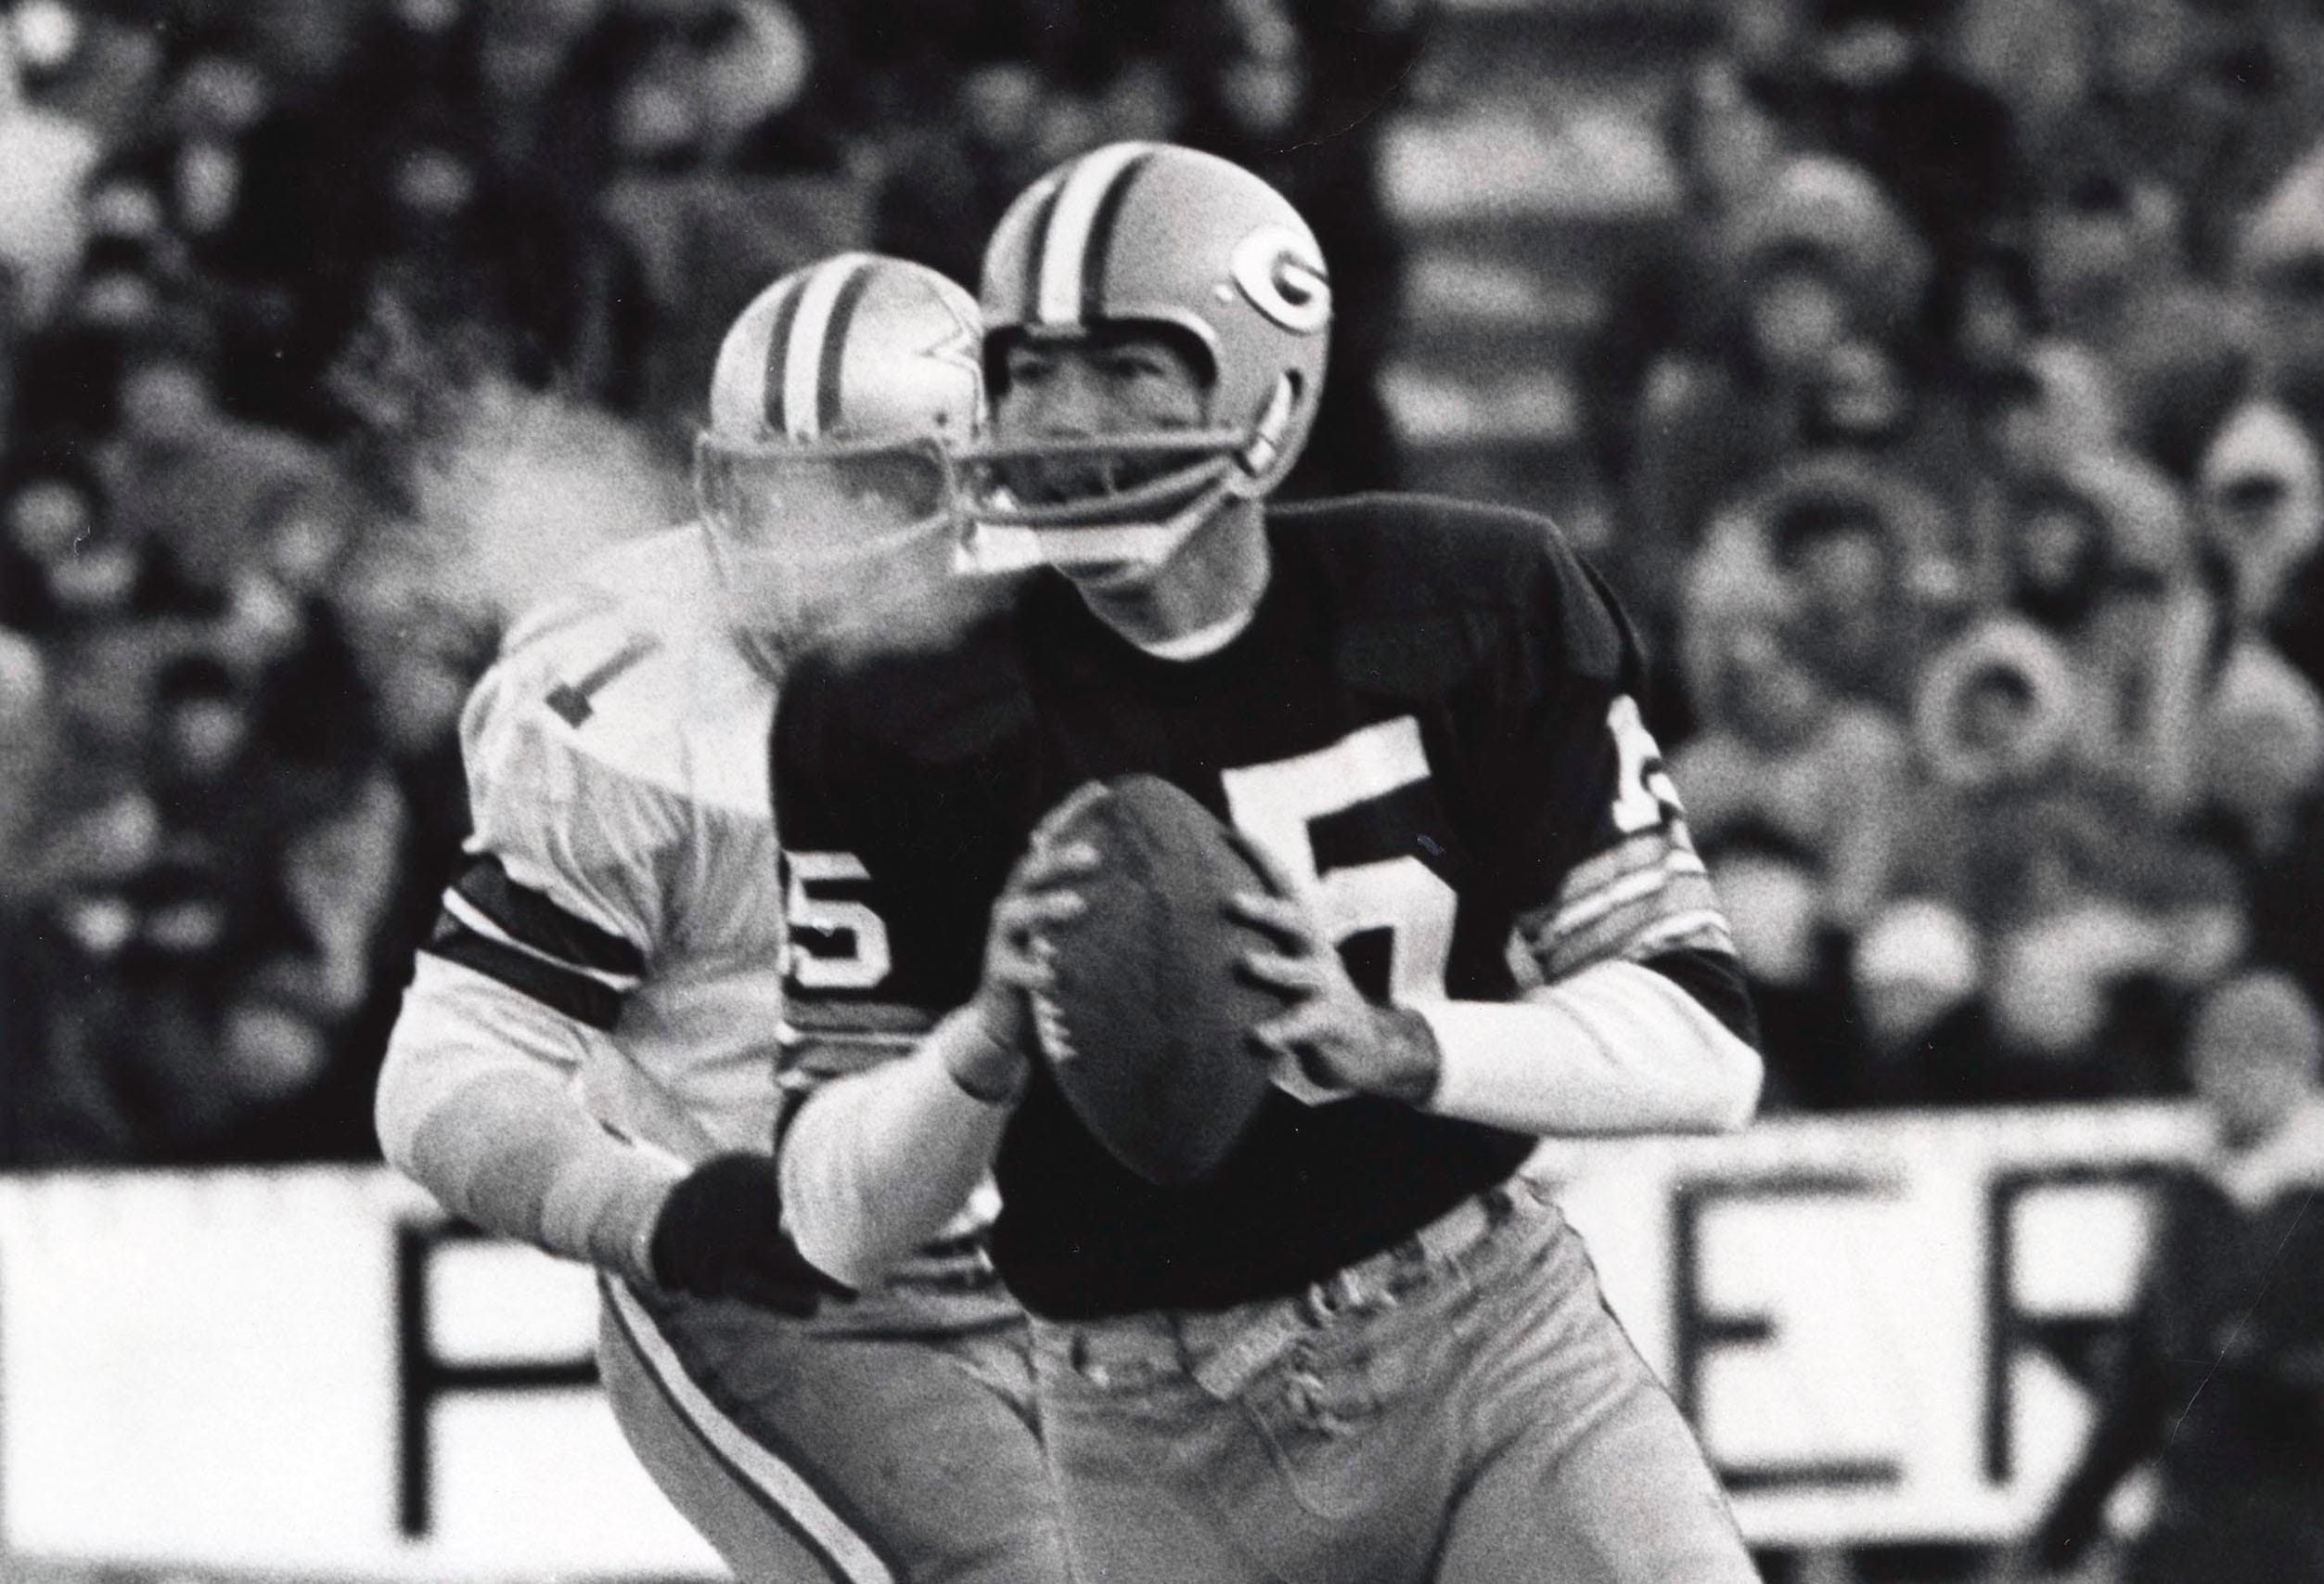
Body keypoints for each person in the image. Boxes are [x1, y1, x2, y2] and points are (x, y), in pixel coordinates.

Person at [772, 143, 1765, 1584]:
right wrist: (981, 1042)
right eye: (1026, 372)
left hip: (1488, 1349)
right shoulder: (895, 706)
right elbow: (832, 1221)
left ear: (1267, 394)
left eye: (1122, 368)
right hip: (1143, 1429)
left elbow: (1705, 1051)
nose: (1055, 419)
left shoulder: (1470, 599)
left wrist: (1401, 1044)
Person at [373, 253, 1071, 1582]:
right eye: (772, 485)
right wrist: (665, 1212)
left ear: (974, 482)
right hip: (798, 1294)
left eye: (869, 485)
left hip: (1084, 1261)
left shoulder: (1089, 624)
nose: (812, 539)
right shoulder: (630, 695)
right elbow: (445, 1067)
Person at [2021, 970, 2324, 1583]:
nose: (2234, 1078)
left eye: (2258, 1059)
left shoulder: (2309, 1197)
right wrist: (2065, 1527)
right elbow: (2143, 1378)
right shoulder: (2186, 1196)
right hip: (2193, 1519)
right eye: (2218, 1057)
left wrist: (2274, 1365)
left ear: (2300, 1070)